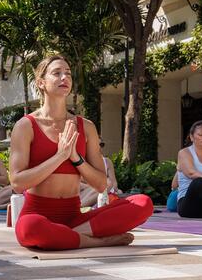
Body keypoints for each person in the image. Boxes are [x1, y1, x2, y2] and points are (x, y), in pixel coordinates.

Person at [10, 55, 153, 250]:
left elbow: (101, 184)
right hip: (37, 214)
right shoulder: (25, 126)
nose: (64, 78)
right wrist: (60, 156)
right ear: (41, 83)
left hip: (75, 217)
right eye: (57, 73)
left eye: (68, 73)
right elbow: (17, 183)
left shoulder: (86, 127)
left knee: (143, 203)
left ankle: (66, 235)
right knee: (30, 228)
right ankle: (97, 241)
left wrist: (76, 159)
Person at [79, 138, 121, 207]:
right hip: (86, 193)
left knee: (108, 185)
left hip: (103, 190)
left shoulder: (107, 161)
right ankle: (81, 206)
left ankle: (82, 206)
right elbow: (78, 184)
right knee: (105, 184)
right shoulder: (81, 162)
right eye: (95, 144)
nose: (99, 147)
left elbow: (114, 183)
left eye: (101, 144)